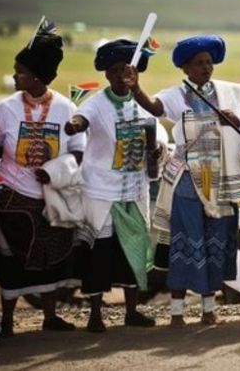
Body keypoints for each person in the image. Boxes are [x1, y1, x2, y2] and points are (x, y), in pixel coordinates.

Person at [125, 35, 240, 326]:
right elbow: (154, 108)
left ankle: (208, 309)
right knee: (184, 241)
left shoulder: (227, 92)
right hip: (186, 178)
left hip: (218, 177)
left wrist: (235, 119)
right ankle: (177, 311)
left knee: (213, 240)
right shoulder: (175, 94)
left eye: (209, 62)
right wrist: (136, 88)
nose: (206, 68)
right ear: (185, 68)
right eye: (199, 63)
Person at [0, 28, 85, 336]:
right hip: (11, 196)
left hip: (51, 196)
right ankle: (9, 322)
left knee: (52, 257)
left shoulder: (67, 109)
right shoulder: (6, 108)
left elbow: (78, 152)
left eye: (21, 73)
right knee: (11, 261)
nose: (15, 78)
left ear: (38, 77)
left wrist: (54, 170)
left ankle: (50, 317)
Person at [64, 39, 162, 332]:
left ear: (136, 74)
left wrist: (156, 152)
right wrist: (75, 125)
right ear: (106, 74)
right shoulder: (95, 102)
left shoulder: (143, 106)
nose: (122, 77)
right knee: (99, 253)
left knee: (133, 249)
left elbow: (156, 143)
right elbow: (82, 119)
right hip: (100, 192)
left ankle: (132, 311)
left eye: (127, 71)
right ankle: (95, 315)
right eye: (116, 71)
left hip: (134, 190)